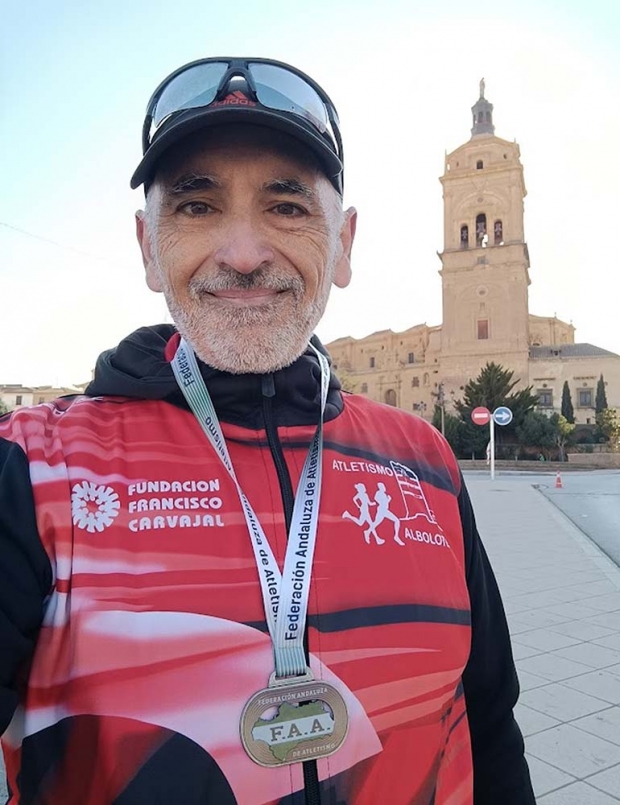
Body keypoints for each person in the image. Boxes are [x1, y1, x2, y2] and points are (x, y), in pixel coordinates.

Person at [0, 57, 535, 804]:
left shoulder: (427, 464)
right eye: (196, 206)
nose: (244, 254)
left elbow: (490, 725)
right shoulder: (35, 471)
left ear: (343, 243)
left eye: (287, 207)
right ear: (147, 246)